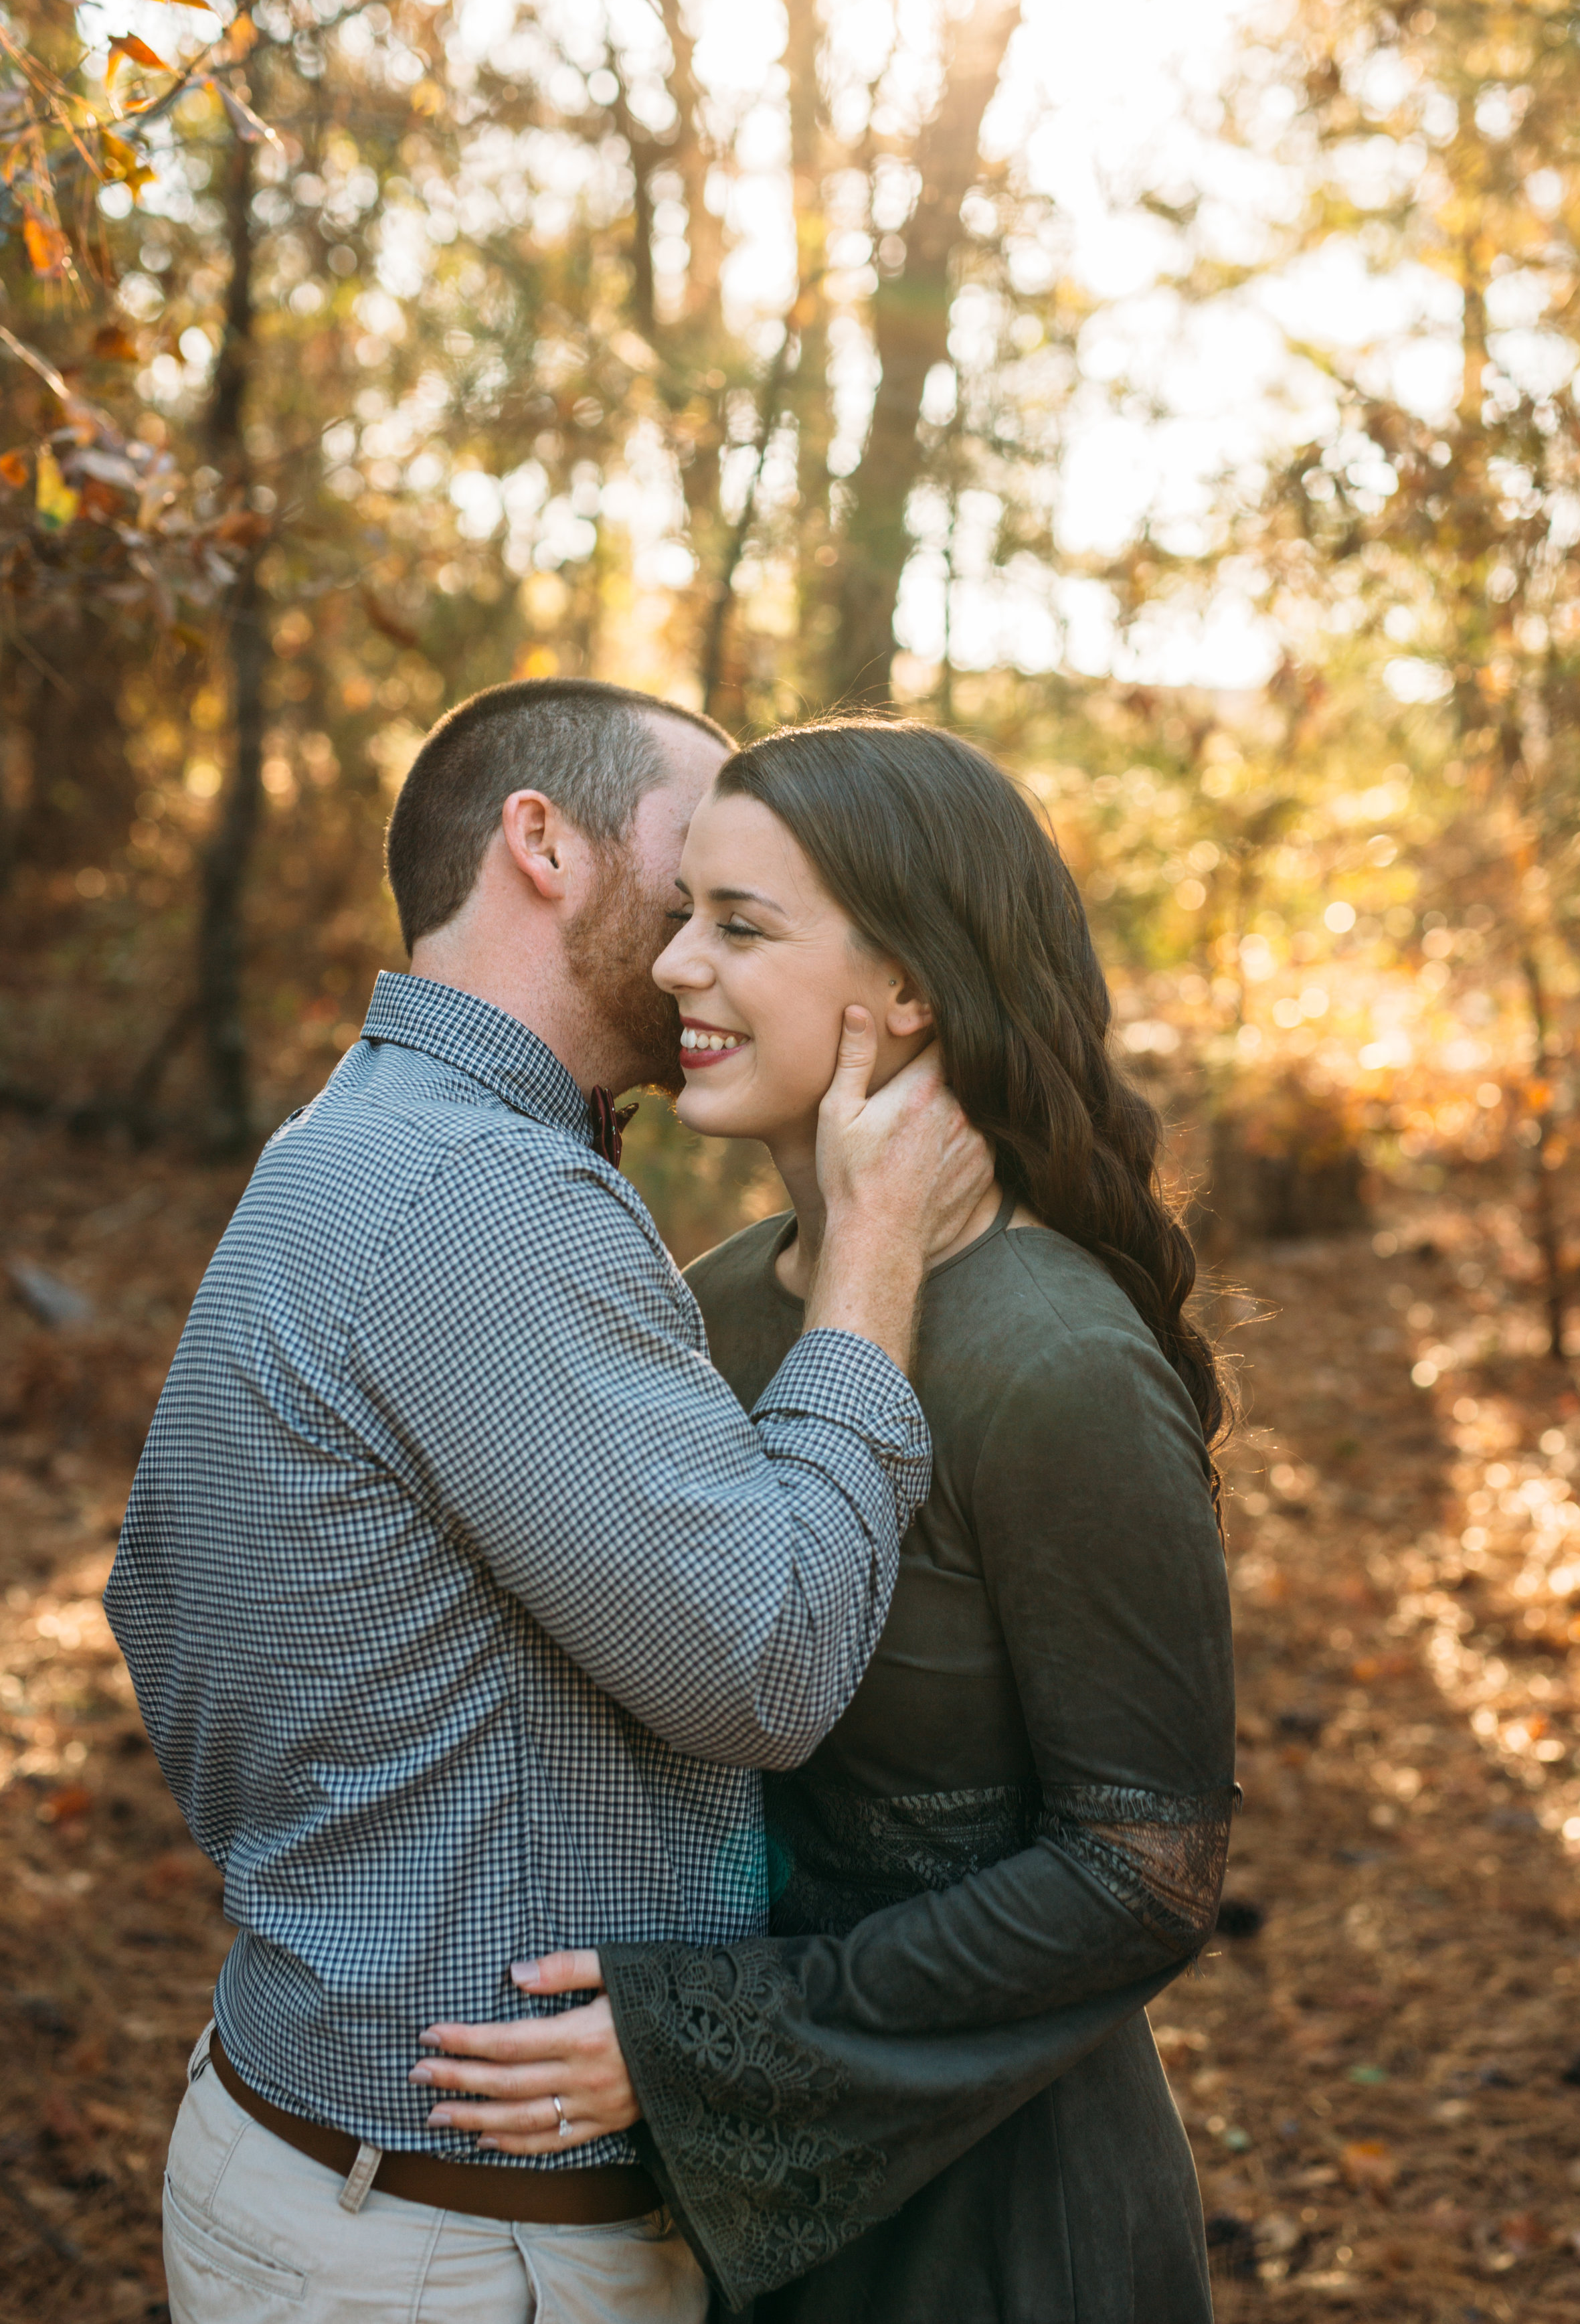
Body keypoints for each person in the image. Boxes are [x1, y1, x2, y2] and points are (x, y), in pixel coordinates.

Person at [104, 679, 992, 2324]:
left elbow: (153, 1606)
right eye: (695, 877)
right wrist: (872, 1257)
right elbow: (767, 1668)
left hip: (318, 2158)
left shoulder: (352, 1140)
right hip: (453, 2246)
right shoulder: (482, 1199)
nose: (698, 942)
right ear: (542, 843)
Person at [410, 717, 1239, 2322]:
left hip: (995, 2213)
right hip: (737, 2206)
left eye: (739, 927)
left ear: (909, 989)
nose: (669, 972)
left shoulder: (1055, 1358)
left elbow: (1145, 1871)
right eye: (679, 915)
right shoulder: (709, 1306)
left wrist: (700, 2031)